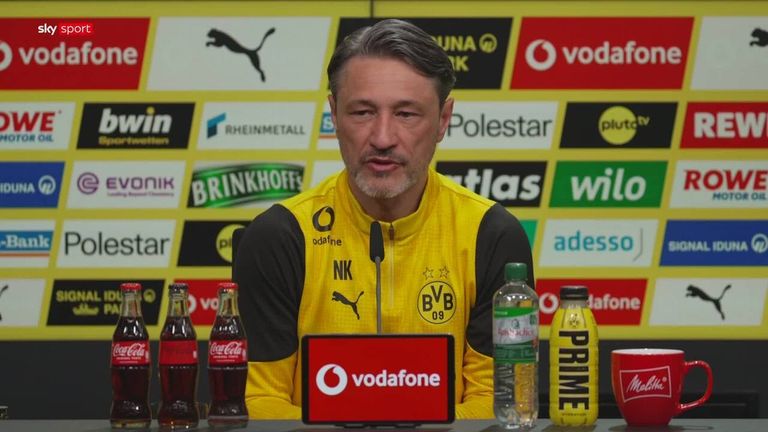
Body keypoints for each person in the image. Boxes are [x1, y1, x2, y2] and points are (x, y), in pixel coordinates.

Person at [233, 18, 534, 420]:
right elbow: (260, 402)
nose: (382, 138)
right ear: (333, 113)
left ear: (443, 120)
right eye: (362, 112)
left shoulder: (492, 234)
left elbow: (498, 403)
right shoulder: (279, 236)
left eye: (406, 114)